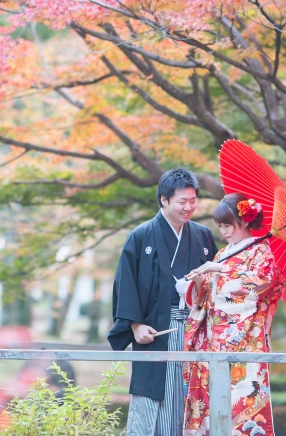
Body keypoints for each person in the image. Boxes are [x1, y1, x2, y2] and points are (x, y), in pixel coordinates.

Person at [108, 167, 218, 436]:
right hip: (155, 329)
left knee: (189, 396)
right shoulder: (141, 235)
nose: (188, 207)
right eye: (182, 201)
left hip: (194, 330)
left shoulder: (203, 235)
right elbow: (125, 284)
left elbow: (216, 285)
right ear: (164, 200)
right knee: (151, 399)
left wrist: (201, 284)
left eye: (193, 201)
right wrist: (135, 326)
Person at [182, 192, 286, 436]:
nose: (224, 232)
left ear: (245, 220)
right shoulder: (222, 253)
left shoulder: (261, 252)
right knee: (209, 403)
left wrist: (220, 270)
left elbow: (260, 286)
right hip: (212, 341)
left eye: (228, 226)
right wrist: (200, 281)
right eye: (220, 226)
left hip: (245, 340)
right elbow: (208, 297)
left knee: (242, 402)